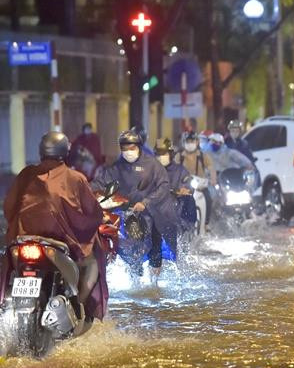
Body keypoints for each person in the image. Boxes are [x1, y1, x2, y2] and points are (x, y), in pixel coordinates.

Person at [3, 131, 108, 321]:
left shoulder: (26, 174)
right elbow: (92, 213)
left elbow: (9, 206)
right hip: (59, 239)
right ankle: (79, 304)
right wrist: (95, 220)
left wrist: (15, 225)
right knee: (91, 261)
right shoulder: (75, 178)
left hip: (23, 237)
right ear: (65, 151)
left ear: (41, 150)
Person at [91, 130, 178, 281]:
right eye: (124, 149)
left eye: (132, 148)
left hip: (152, 211)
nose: (128, 152)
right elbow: (99, 183)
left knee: (155, 245)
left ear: (139, 147)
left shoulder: (152, 165)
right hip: (127, 212)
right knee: (126, 244)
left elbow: (163, 186)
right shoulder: (117, 167)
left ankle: (154, 284)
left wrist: (146, 202)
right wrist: (85, 190)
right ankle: (134, 277)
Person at [155, 138, 196, 232]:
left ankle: (187, 231)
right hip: (154, 206)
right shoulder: (151, 170)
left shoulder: (180, 170)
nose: (161, 157)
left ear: (171, 154)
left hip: (175, 206)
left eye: (164, 154)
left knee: (190, 200)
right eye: (158, 154)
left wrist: (184, 190)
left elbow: (188, 183)